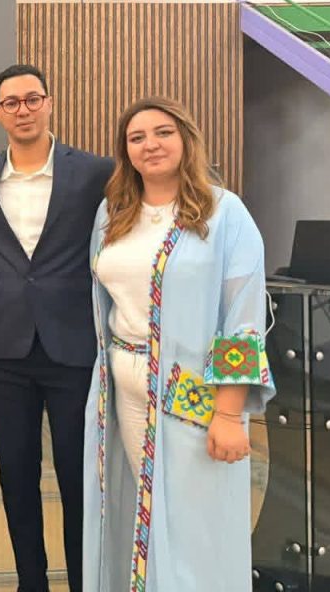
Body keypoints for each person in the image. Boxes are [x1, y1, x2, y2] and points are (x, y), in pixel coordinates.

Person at [84, 97, 274, 591]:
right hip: (122, 389)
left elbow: (242, 322)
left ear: (186, 139)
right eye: (137, 137)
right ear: (125, 151)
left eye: (163, 132)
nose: (150, 144)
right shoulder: (112, 214)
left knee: (196, 531)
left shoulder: (223, 213)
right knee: (143, 519)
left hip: (193, 397)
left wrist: (229, 414)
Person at [0, 64, 112, 592]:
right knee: (17, 477)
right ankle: (31, 581)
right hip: (2, 350)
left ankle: (83, 581)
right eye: (11, 102)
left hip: (72, 345)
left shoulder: (94, 172)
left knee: (78, 477)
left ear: (49, 103)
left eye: (32, 99)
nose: (22, 110)